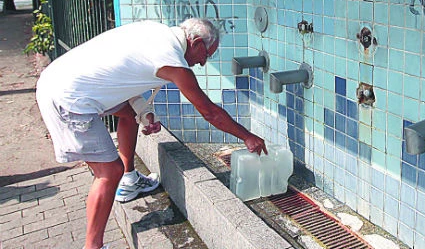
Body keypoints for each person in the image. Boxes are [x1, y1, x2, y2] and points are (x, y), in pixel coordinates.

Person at [36, 18, 268, 249]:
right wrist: (247, 136)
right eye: (206, 55)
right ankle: (93, 246)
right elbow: (210, 113)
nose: (202, 63)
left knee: (129, 117)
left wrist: (144, 113)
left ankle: (129, 179)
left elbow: (123, 78)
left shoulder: (156, 31)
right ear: (196, 42)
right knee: (108, 171)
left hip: (58, 80)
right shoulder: (173, 61)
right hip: (69, 100)